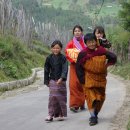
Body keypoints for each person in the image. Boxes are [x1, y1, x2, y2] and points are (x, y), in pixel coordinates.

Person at [76, 33, 117, 126]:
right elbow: (78, 67)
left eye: (93, 41)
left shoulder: (101, 51)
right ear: (86, 43)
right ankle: (93, 117)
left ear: (96, 41)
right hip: (88, 79)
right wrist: (82, 80)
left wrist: (107, 65)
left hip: (101, 79)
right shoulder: (83, 53)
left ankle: (95, 113)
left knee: (100, 98)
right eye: (89, 42)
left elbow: (113, 57)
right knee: (91, 98)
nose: (91, 44)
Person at [44, 40, 68, 122]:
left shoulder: (63, 58)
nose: (55, 50)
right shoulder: (49, 58)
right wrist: (46, 81)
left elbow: (65, 69)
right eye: (54, 48)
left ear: (61, 49)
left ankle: (61, 114)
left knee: (61, 98)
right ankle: (50, 114)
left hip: (61, 81)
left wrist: (62, 78)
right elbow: (46, 70)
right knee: (52, 98)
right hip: (52, 80)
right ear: (51, 48)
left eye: (57, 48)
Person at [65, 25, 86, 112]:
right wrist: (73, 60)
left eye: (79, 31)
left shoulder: (85, 42)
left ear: (81, 32)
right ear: (73, 33)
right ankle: (74, 105)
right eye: (75, 31)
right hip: (74, 66)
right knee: (73, 85)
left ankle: (81, 103)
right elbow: (67, 54)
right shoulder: (71, 43)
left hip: (84, 66)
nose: (77, 32)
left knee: (82, 84)